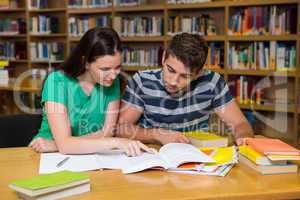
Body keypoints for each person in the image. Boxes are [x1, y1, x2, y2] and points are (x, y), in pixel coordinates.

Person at [29, 27, 155, 156]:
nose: (113, 75)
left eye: (117, 67)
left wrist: (58, 144)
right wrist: (116, 142)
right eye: (105, 69)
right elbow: (68, 146)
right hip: (45, 156)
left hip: (82, 154)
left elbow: (107, 133)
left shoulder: (112, 82)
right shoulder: (56, 82)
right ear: (86, 63)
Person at [117, 33, 254, 145]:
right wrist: (156, 135)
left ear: (199, 73)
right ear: (164, 58)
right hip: (154, 154)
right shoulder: (142, 81)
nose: (173, 81)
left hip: (196, 156)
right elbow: (122, 129)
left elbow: (240, 123)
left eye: (185, 76)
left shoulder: (212, 82)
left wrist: (243, 138)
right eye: (170, 70)